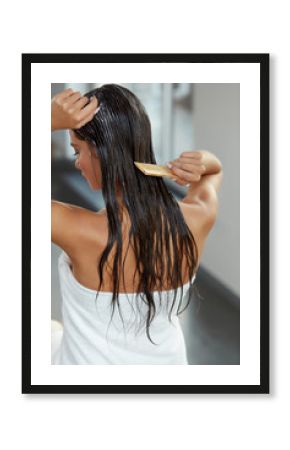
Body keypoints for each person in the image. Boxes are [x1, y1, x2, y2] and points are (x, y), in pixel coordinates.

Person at [51, 84, 223, 365]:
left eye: (77, 151)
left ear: (102, 152)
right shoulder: (196, 216)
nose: (77, 163)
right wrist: (202, 160)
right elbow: (215, 172)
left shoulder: (78, 230)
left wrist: (46, 119)